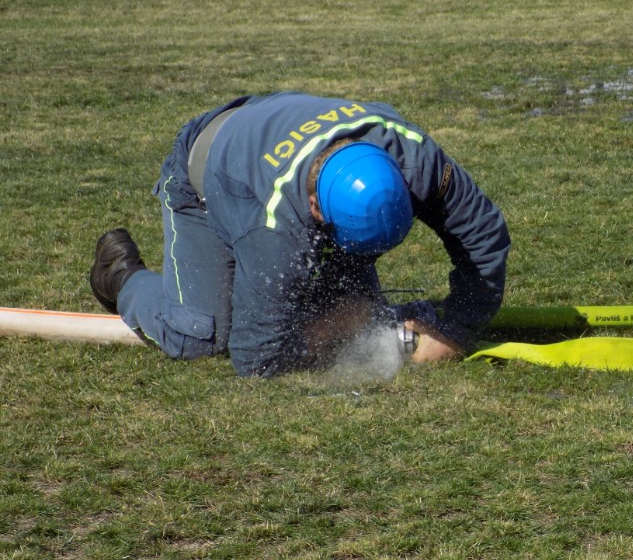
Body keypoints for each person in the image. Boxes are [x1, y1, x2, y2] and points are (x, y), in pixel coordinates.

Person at [89, 91, 511, 377]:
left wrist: (456, 332)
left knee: (349, 302)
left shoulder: (417, 159)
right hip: (206, 173)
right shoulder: (273, 226)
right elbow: (256, 357)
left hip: (264, 127)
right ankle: (120, 277)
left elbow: (484, 236)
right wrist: (341, 323)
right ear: (314, 208)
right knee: (203, 335)